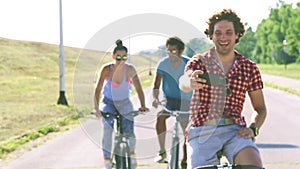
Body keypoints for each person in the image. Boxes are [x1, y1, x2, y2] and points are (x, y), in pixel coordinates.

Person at [179, 9, 267, 169]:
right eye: (218, 33)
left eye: (228, 32)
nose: (223, 37)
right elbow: (184, 82)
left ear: (237, 35)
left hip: (235, 131)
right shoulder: (199, 62)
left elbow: (260, 109)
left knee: (253, 165)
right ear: (211, 36)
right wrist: (189, 82)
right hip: (202, 131)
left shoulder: (249, 67)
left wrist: (253, 129)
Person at [93, 39, 149, 169]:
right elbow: (98, 89)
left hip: (124, 103)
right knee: (107, 127)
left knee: (129, 130)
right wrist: (96, 108)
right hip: (108, 102)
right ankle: (107, 159)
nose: (121, 60)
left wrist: (143, 105)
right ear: (113, 56)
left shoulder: (130, 70)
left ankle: (132, 153)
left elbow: (139, 88)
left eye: (124, 57)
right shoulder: (107, 69)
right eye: (118, 57)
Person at [152, 36, 193, 169]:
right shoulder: (163, 64)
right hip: (169, 100)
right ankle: (162, 151)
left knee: (187, 130)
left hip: (186, 101)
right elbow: (156, 85)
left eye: (173, 51)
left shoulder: (188, 64)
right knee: (160, 117)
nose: (170, 54)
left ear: (181, 51)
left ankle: (185, 159)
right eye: (168, 51)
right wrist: (155, 98)